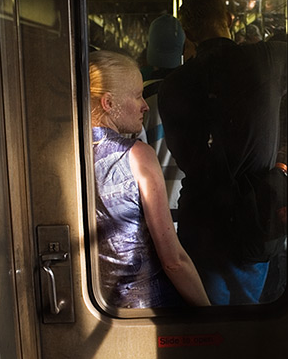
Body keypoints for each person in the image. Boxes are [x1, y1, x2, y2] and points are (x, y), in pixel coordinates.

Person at [159, 0, 288, 305]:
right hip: (258, 214)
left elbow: (189, 155)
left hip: (204, 218)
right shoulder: (268, 59)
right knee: (251, 315)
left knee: (208, 319)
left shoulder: (173, 85)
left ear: (188, 34)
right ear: (230, 18)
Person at [89, 50, 210, 309]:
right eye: (136, 96)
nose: (145, 105)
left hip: (100, 305)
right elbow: (173, 261)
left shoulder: (69, 152)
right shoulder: (136, 155)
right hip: (148, 306)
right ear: (108, 103)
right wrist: (209, 314)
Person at [140, 15, 187, 226]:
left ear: (149, 47)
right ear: (183, 50)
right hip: (190, 210)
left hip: (153, 214)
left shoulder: (140, 99)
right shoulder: (197, 95)